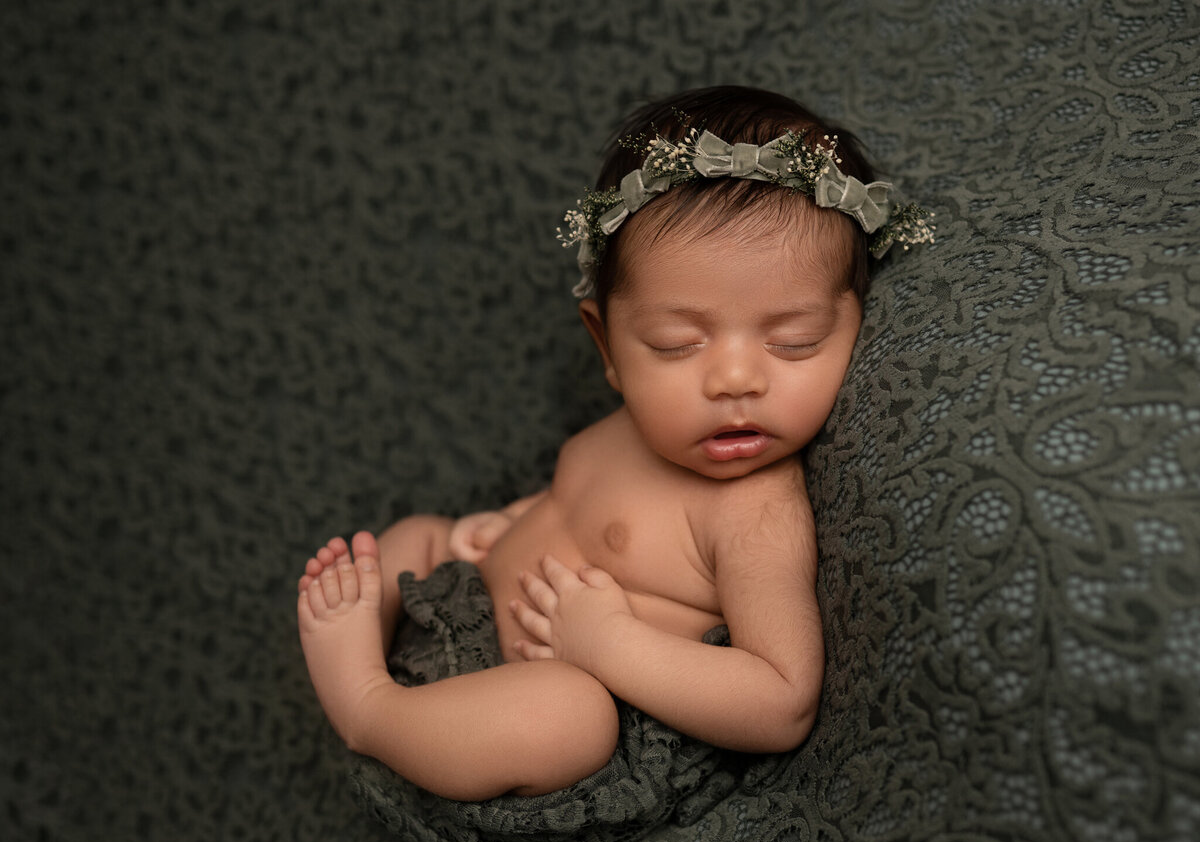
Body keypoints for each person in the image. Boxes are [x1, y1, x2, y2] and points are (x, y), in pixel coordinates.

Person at [295, 85, 933, 802]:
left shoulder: (754, 510)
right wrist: (506, 527)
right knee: (412, 538)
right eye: (675, 344)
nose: (733, 379)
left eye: (794, 342)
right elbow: (576, 510)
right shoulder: (626, 431)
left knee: (570, 717)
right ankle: (403, 679)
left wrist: (609, 647)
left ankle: (368, 708)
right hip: (459, 615)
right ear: (607, 345)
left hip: (525, 708)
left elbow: (780, 700)